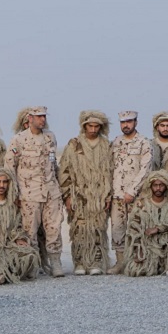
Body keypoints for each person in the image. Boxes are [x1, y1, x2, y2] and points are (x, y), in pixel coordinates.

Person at [6, 107, 65, 277]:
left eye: (44, 117)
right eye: (39, 117)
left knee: (54, 227)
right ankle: (31, 263)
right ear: (30, 118)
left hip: (51, 191)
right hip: (29, 192)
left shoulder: (50, 137)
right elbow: (10, 167)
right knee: (29, 230)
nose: (42, 120)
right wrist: (15, 193)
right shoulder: (19, 140)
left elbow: (53, 164)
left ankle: (55, 262)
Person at [59, 110, 114, 275]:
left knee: (98, 228)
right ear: (84, 126)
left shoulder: (106, 145)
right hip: (79, 195)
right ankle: (80, 261)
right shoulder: (74, 144)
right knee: (79, 228)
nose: (93, 129)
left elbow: (111, 172)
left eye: (97, 126)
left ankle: (96, 260)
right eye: (90, 125)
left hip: (100, 194)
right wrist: (67, 195)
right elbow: (65, 171)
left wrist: (108, 195)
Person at [108, 111, 152, 272]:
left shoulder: (143, 142)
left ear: (136, 122)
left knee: (137, 227)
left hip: (136, 195)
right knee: (117, 228)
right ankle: (120, 262)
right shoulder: (115, 143)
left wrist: (132, 191)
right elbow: (110, 167)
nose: (126, 125)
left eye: (129, 122)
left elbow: (145, 169)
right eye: (123, 122)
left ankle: (137, 261)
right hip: (117, 194)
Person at [122, 170, 168, 276]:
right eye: (155, 185)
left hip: (166, 240)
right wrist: (138, 248)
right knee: (136, 271)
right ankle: (152, 263)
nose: (158, 188)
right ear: (151, 187)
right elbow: (133, 227)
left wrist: (159, 228)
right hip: (147, 242)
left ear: (166, 187)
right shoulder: (141, 204)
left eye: (161, 185)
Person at [0, 166, 33, 284]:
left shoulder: (13, 205)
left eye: (5, 182)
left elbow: (18, 225)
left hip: (8, 246)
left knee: (29, 254)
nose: (1, 185)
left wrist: (19, 238)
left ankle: (8, 269)